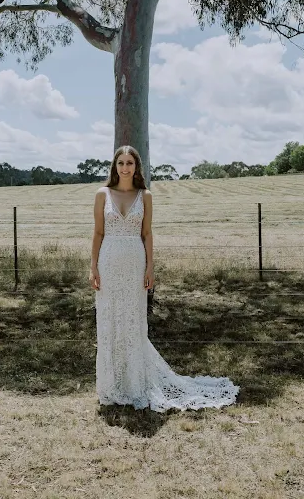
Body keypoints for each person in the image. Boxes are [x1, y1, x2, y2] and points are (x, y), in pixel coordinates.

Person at [89, 145, 239, 413]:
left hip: (135, 262)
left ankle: (135, 383)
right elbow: (98, 233)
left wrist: (150, 268)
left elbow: (147, 234)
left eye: (130, 163)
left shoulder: (144, 196)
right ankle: (111, 386)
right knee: (110, 320)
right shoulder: (102, 194)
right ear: (115, 166)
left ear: (137, 167)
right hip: (108, 262)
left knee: (133, 322)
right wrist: (93, 267)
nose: (125, 168)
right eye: (121, 163)